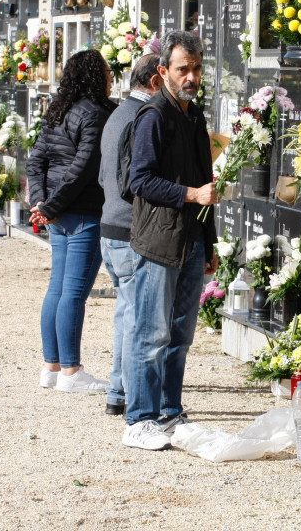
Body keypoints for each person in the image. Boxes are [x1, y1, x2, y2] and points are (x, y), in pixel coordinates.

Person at [121, 30, 219, 450]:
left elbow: (206, 181)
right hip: (159, 241)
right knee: (151, 332)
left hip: (192, 241)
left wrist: (209, 243)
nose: (192, 76)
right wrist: (189, 195)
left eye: (197, 68)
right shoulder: (154, 117)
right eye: (184, 68)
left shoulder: (194, 117)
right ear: (163, 72)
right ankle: (138, 419)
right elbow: (138, 180)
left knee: (180, 334)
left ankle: (168, 410)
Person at [26, 50, 117, 394]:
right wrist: (47, 205)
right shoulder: (97, 114)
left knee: (58, 289)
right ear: (98, 76)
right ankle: (71, 371)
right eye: (107, 72)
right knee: (73, 293)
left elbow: (36, 163)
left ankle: (51, 367)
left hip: (60, 213)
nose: (111, 77)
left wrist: (42, 202)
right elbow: (83, 169)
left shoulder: (59, 111)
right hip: (83, 212)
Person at [98, 54, 163, 416]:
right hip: (128, 227)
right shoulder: (141, 118)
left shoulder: (117, 114)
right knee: (137, 317)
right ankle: (126, 394)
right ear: (156, 81)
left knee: (126, 311)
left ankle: (117, 392)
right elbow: (134, 182)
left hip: (110, 224)